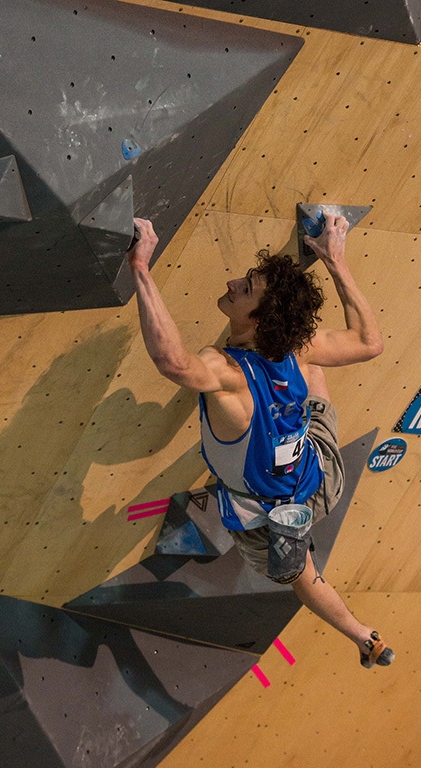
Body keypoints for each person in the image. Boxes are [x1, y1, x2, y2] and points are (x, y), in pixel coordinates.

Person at [128, 213, 394, 669]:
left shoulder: (226, 374)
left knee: (298, 574)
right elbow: (369, 343)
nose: (232, 283)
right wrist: (336, 261)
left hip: (268, 515)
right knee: (313, 374)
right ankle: (364, 636)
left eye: (246, 289)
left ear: (259, 318)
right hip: (319, 472)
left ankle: (360, 634)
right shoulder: (296, 346)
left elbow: (174, 363)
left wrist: (141, 268)